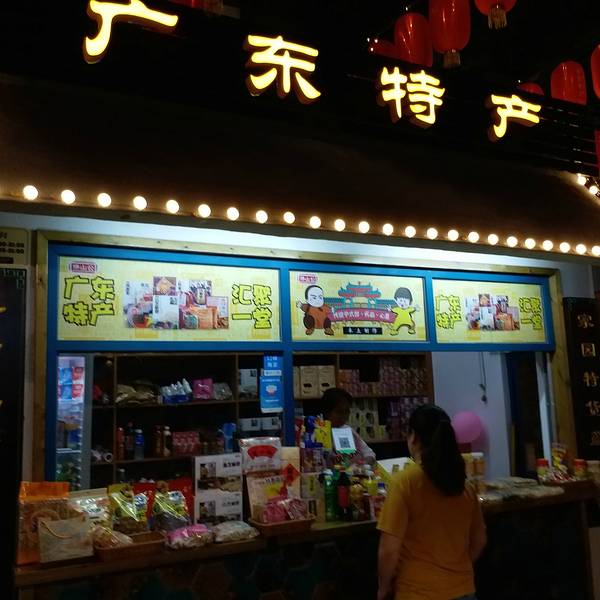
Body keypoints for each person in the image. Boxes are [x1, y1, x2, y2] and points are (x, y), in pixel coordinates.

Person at [377, 405, 487, 600]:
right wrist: (456, 571)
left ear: (413, 437)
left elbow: (389, 550)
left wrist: (383, 587)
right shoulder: (465, 487)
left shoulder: (405, 482)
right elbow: (479, 540)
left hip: (418, 592)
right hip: (463, 589)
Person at [321, 387, 376, 465]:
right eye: (339, 412)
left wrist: (364, 463)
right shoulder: (318, 434)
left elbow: (369, 453)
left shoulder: (347, 430)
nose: (344, 416)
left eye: (346, 411)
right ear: (327, 412)